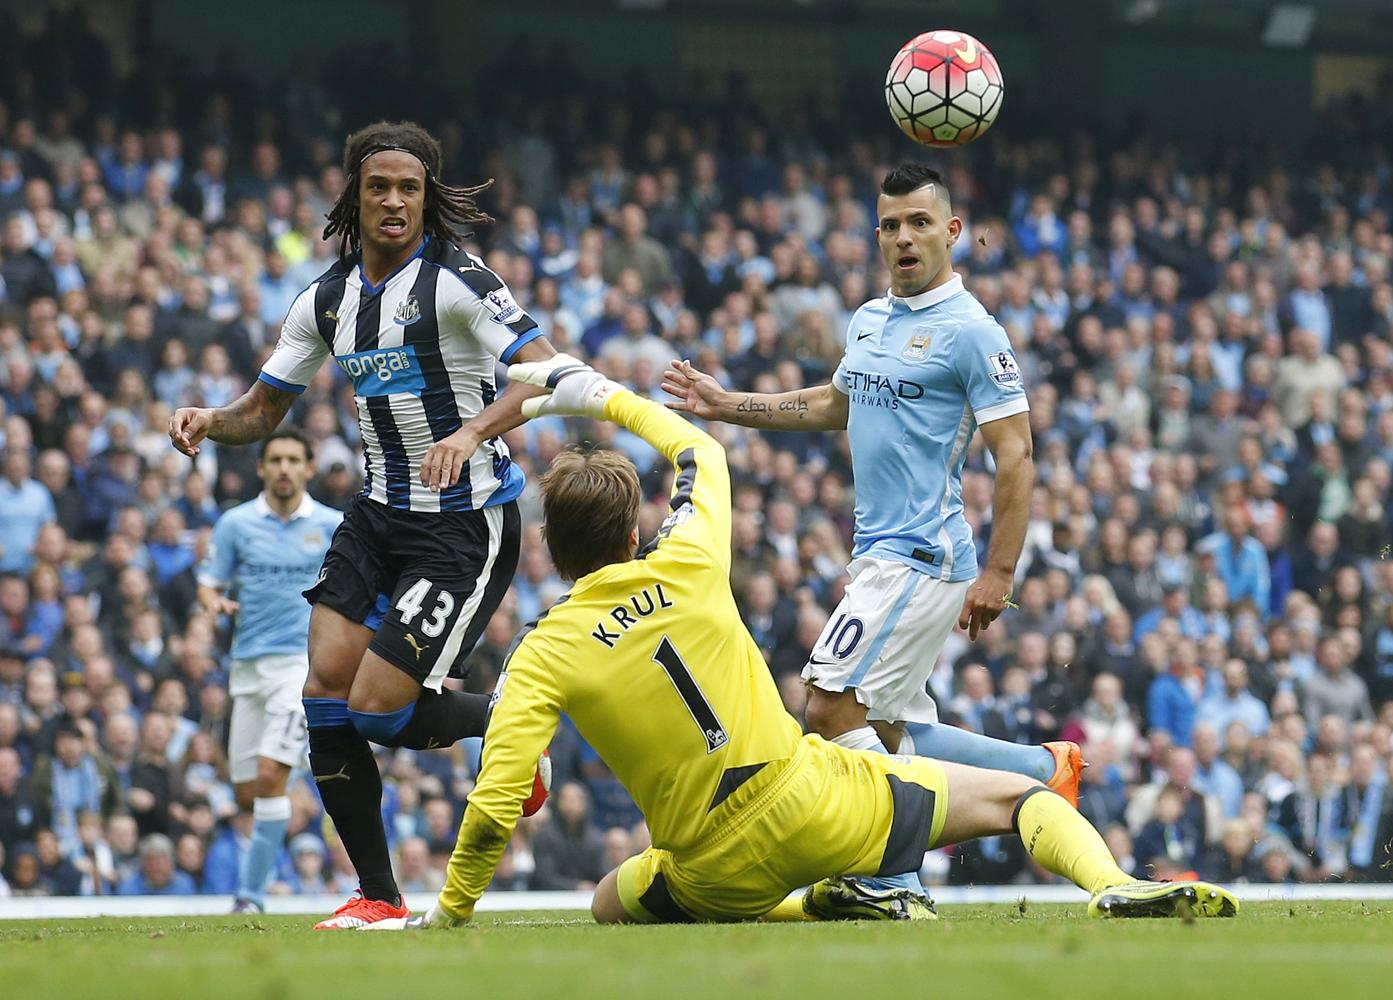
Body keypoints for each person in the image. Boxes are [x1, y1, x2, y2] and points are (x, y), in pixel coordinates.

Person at [370, 357, 1236, 929]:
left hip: (709, 869)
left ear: (550, 551)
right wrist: (589, 390)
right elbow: (698, 447)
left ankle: (831, 903)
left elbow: (494, 804)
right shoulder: (692, 558)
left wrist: (451, 914)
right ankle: (1112, 884)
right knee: (1016, 800)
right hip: (813, 799)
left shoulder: (541, 651)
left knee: (608, 902)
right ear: (634, 534)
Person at [169, 121, 555, 928]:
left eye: (408, 188)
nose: (392, 201)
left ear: (426, 199)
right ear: (354, 194)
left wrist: (470, 430)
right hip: (377, 518)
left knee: (380, 710)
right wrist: (212, 419)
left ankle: (511, 724)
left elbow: (544, 371)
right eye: (378, 186)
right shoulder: (326, 300)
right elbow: (265, 409)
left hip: (463, 523)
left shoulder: (458, 281)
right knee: (325, 699)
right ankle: (378, 897)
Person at [661, 164, 1078, 911]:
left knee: (827, 707)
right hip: (880, 557)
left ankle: (891, 876)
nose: (903, 238)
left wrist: (1001, 574)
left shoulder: (974, 332)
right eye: (890, 225)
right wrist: (729, 405)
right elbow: (833, 402)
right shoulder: (868, 319)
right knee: (887, 729)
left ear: (952, 232)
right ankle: (1040, 773)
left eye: (920, 223)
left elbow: (1015, 456)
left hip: (923, 556)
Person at [196, 428, 343, 913]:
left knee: (267, 777)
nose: (284, 468)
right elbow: (209, 580)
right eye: (275, 459)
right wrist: (213, 601)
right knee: (246, 790)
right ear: (261, 467)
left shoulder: (331, 525)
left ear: (308, 467)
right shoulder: (236, 524)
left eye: (292, 460)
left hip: (300, 668)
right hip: (248, 667)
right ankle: (296, 787)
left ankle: (250, 897)